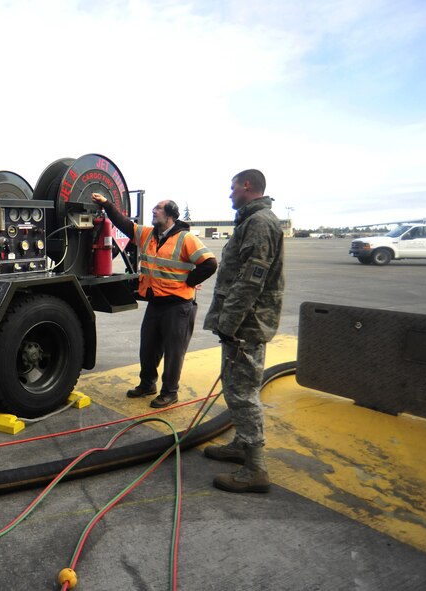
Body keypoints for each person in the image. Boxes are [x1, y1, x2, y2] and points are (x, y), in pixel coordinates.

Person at [91, 193, 218, 408]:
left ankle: (170, 392)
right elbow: (123, 224)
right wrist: (106, 204)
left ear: (170, 215)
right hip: (156, 303)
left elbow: (210, 264)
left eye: (158, 209)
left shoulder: (186, 238)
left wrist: (189, 281)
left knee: (174, 352)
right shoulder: (148, 234)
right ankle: (147, 384)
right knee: (148, 348)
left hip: (178, 306)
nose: (153, 211)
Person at [202, 169, 284, 494]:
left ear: (247, 186)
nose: (230, 193)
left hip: (245, 324)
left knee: (243, 392)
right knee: (235, 386)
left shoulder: (260, 222)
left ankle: (255, 468)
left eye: (233, 187)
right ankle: (242, 444)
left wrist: (229, 324)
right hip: (243, 322)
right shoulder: (251, 220)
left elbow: (251, 281)